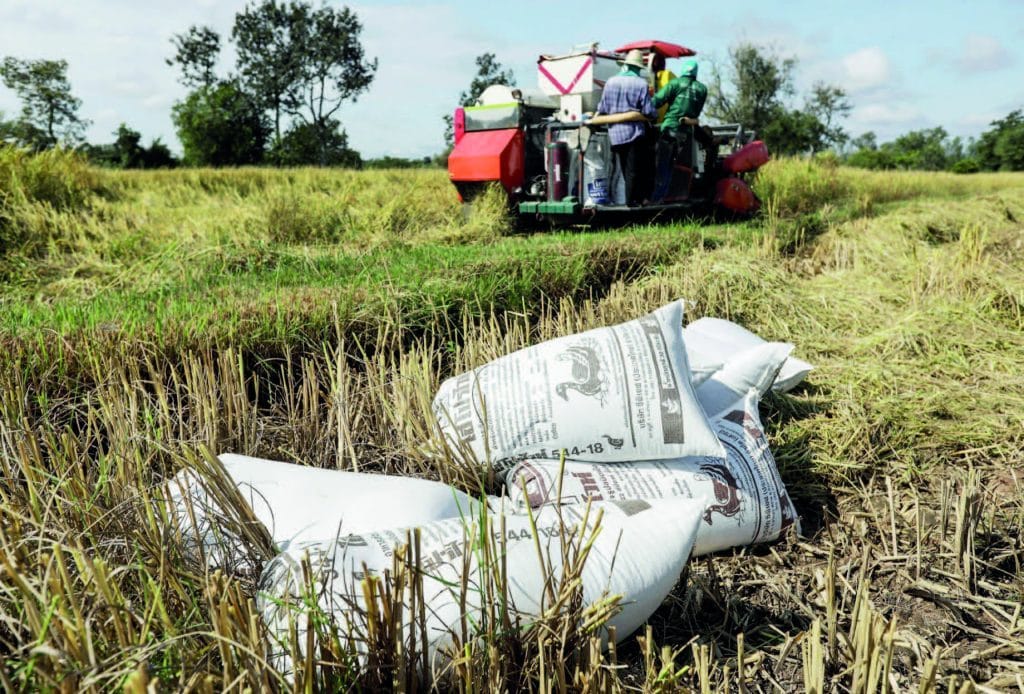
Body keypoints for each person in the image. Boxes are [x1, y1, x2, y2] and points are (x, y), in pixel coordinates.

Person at [592, 49, 656, 206]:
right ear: (638, 68)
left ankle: (631, 200)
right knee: (634, 170)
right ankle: (631, 202)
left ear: (625, 66)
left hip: (615, 134)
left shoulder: (611, 82)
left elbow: (603, 107)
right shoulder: (641, 84)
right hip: (634, 133)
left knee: (623, 168)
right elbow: (648, 111)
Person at [651, 58, 708, 202]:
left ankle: (656, 198)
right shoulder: (702, 89)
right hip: (685, 134)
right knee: (671, 165)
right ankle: (664, 196)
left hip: (670, 127)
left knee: (661, 164)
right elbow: (696, 112)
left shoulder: (674, 83)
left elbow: (656, 102)